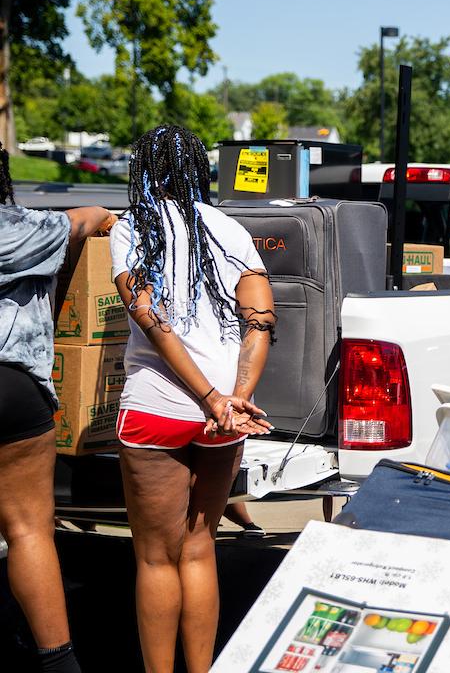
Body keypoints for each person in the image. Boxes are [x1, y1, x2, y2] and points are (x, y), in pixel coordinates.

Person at [111, 125, 276, 673]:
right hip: (225, 417)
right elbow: (260, 324)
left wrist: (208, 396)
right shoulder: (231, 229)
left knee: (157, 559)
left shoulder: (135, 227)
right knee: (201, 548)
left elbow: (151, 321)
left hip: (158, 408)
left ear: (143, 171)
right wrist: (234, 399)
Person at [0, 148, 115, 672]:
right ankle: (58, 662)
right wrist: (106, 217)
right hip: (14, 387)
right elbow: (85, 219)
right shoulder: (26, 229)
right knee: (28, 529)